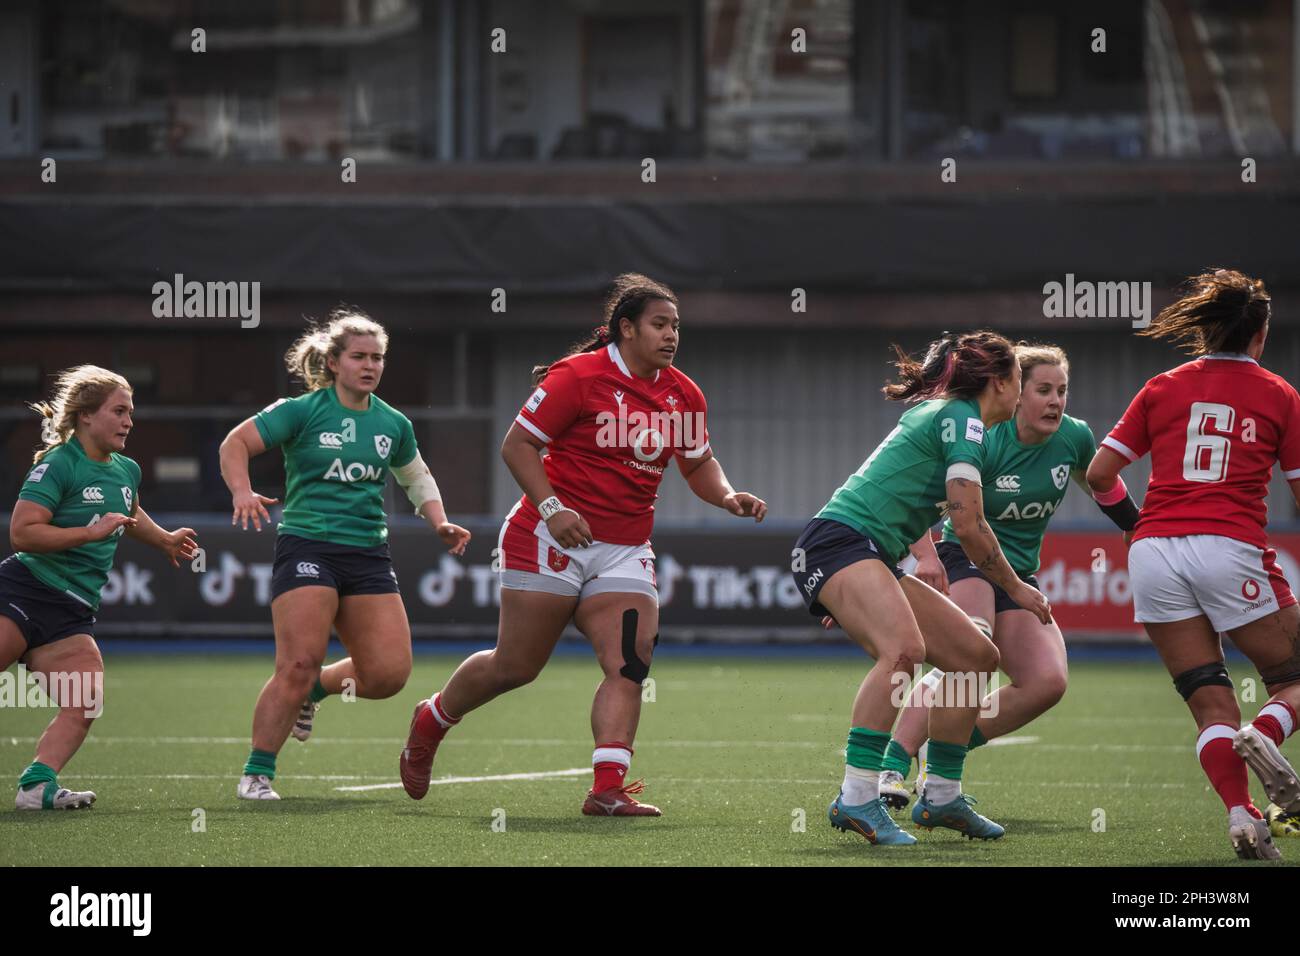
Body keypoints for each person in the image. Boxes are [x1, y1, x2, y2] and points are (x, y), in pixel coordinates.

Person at [399, 273, 766, 816]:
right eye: (659, 324)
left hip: (624, 547)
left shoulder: (682, 392)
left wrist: (728, 495)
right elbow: (517, 444)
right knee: (515, 667)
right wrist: (554, 508)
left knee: (629, 663)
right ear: (626, 328)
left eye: (676, 326)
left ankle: (607, 789)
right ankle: (432, 720)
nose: (671, 336)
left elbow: (698, 461)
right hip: (546, 534)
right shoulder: (579, 376)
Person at [792, 330, 1051, 846]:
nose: (1021, 394)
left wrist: (860, 591)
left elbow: (905, 493)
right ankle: (858, 795)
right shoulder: (963, 419)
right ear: (999, 382)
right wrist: (1017, 588)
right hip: (838, 545)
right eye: (1020, 382)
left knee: (975, 656)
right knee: (903, 651)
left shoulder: (950, 416)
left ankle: (941, 795)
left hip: (864, 554)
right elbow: (970, 525)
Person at [1087, 268, 1300, 860]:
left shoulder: (1163, 386)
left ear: (1206, 332)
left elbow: (1100, 475)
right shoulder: (1281, 395)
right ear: (1259, 335)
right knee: (1292, 680)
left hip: (1154, 551)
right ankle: (1265, 732)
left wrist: (1136, 528)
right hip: (1229, 545)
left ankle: (1243, 817)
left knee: (1209, 699)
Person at [220, 309, 470, 800]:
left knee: (387, 675)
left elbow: (415, 476)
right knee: (296, 662)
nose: (370, 365)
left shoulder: (392, 423)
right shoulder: (302, 410)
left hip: (368, 553)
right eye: (359, 356)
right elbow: (236, 443)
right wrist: (242, 491)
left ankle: (316, 690)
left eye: (378, 357)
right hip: (308, 545)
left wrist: (438, 520)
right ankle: (257, 773)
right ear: (334, 362)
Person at [879, 343, 1138, 808]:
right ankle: (893, 764)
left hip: (1018, 572)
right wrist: (927, 556)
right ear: (1016, 393)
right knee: (970, 650)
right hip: (965, 558)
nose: (1056, 401)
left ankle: (943, 756)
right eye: (1043, 390)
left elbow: (1102, 482)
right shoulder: (985, 438)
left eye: (1062, 390)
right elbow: (918, 496)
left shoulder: (1074, 438)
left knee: (1047, 682)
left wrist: (1135, 526)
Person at [3, 366, 197, 810]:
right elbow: (23, 533)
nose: (129, 421)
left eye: (131, 412)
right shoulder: (58, 464)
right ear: (87, 416)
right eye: (120, 411)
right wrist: (89, 534)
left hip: (71, 613)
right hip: (24, 592)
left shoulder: (126, 469)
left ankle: (36, 787)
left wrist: (163, 538)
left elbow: (128, 512)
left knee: (85, 702)